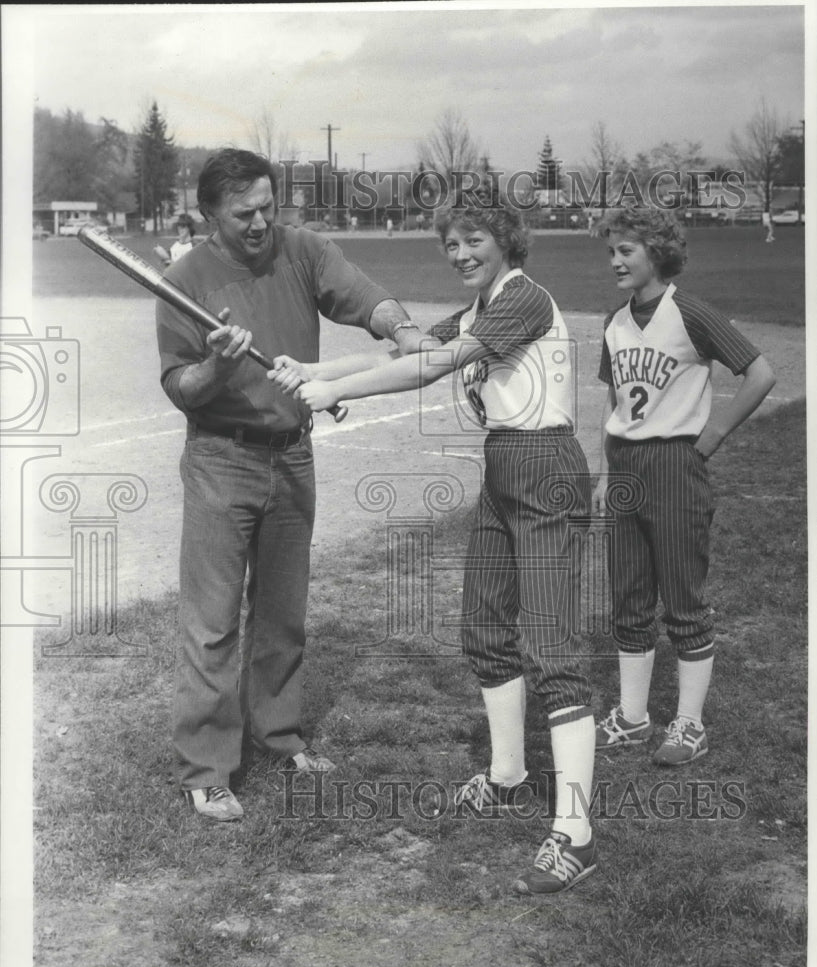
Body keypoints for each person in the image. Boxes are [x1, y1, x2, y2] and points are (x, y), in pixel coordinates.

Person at [271, 200, 598, 896]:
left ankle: (576, 833)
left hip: (544, 467)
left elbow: (431, 370)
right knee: (483, 630)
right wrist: (311, 367)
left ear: (506, 240)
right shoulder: (483, 306)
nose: (458, 252)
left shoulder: (524, 300)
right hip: (506, 465)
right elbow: (407, 350)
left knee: (552, 649)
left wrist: (329, 389)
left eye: (472, 239)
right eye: (449, 243)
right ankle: (507, 775)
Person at [155, 148, 428, 822]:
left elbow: (365, 298)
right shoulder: (184, 279)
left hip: (292, 455)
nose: (259, 224)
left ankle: (277, 736)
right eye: (243, 213)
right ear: (209, 214)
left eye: (267, 209)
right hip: (222, 459)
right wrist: (217, 368)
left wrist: (403, 328)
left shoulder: (300, 250)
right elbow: (180, 388)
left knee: (281, 612)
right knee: (213, 623)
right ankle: (207, 768)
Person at [592, 206, 776, 765]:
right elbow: (614, 399)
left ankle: (690, 725)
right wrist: (604, 471)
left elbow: (760, 373)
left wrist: (711, 437)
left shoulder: (690, 311)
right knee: (628, 597)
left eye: (627, 250)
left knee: (682, 600)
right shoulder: (614, 320)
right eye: (612, 251)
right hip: (625, 465)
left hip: (675, 463)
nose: (616, 260)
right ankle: (631, 716)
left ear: (658, 253)